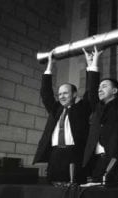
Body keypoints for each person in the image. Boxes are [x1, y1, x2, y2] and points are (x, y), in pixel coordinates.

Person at [82, 41, 118, 186]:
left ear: (115, 91)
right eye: (99, 87)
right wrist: (93, 61)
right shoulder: (97, 107)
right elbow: (91, 87)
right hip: (97, 162)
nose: (100, 89)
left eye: (104, 86)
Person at [33, 51, 91, 185]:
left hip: (73, 154)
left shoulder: (81, 109)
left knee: (73, 189)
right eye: (59, 94)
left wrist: (90, 65)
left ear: (75, 94)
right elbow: (46, 93)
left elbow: (90, 91)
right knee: (52, 189)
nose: (62, 96)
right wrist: (49, 67)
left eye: (65, 93)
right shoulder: (56, 110)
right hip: (55, 154)